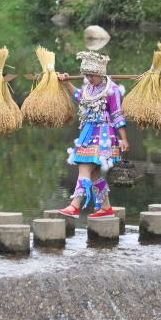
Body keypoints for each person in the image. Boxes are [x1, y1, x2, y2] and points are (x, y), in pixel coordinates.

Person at [56, 51, 129, 218]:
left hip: (103, 135)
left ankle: (75, 206)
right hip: (88, 132)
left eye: (92, 75)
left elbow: (117, 114)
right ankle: (106, 207)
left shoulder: (112, 90)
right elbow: (81, 97)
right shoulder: (89, 88)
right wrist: (67, 83)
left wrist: (124, 138)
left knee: (84, 167)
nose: (89, 79)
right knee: (94, 173)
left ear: (100, 73)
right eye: (87, 75)